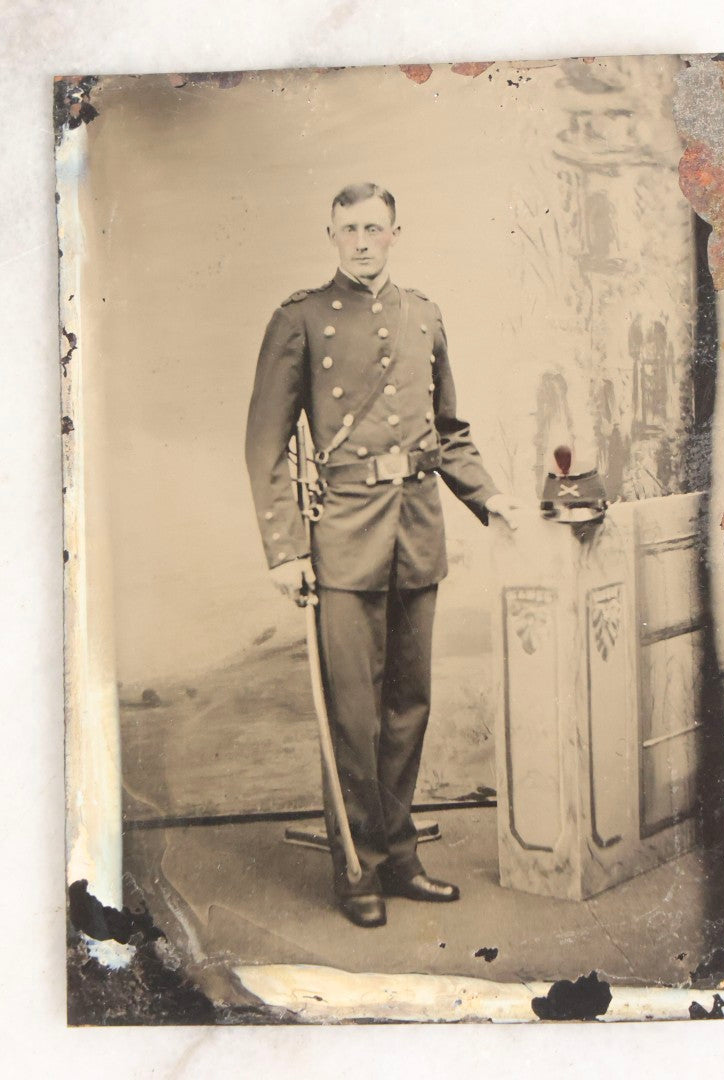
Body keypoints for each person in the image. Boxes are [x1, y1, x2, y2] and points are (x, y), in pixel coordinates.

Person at [245, 183, 520, 928]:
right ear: (330, 234)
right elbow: (266, 446)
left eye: (374, 227)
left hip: (416, 529)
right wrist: (283, 549)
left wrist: (491, 499)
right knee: (355, 711)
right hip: (341, 534)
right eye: (348, 229)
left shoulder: (424, 314)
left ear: (396, 232)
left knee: (408, 706)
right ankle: (356, 865)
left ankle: (400, 854)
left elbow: (449, 431)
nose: (362, 241)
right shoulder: (299, 319)